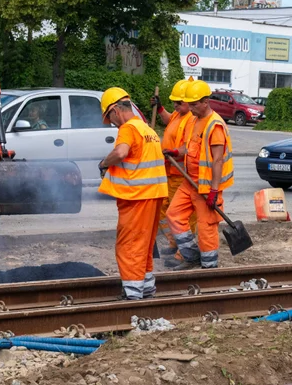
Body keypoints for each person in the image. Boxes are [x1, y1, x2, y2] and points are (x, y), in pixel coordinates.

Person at [98, 87, 168, 300]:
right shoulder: (147, 129)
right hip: (153, 195)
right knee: (144, 245)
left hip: (137, 196)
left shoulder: (128, 128)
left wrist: (103, 163)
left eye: (109, 117)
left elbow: (121, 152)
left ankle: (133, 295)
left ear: (116, 110)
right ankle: (146, 288)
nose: (111, 122)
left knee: (128, 246)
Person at [166, 80, 234, 270]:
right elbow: (189, 147)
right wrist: (176, 152)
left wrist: (214, 190)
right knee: (173, 215)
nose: (191, 108)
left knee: (206, 228)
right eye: (190, 104)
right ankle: (192, 256)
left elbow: (218, 160)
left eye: (194, 104)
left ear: (206, 102)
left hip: (206, 187)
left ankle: (209, 267)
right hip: (189, 183)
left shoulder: (215, 126)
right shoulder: (194, 121)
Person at [151, 80, 197, 266]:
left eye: (179, 102)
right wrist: (161, 109)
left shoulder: (191, 120)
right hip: (169, 170)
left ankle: (184, 251)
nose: (175, 106)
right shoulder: (178, 115)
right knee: (164, 208)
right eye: (174, 103)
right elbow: (169, 120)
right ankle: (174, 241)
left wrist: (175, 152)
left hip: (181, 173)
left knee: (181, 214)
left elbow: (188, 147)